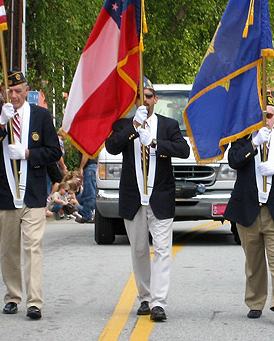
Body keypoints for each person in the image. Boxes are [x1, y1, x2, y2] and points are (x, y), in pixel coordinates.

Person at [104, 78, 189, 322]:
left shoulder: (168, 125)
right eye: (141, 97)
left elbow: (182, 150)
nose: (146, 101)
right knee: (139, 249)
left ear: (156, 100)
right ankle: (145, 297)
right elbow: (111, 147)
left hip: (160, 196)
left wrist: (153, 143)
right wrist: (133, 127)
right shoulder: (123, 125)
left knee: (162, 250)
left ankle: (159, 303)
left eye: (149, 96)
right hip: (134, 197)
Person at [0, 70, 62, 320]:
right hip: (6, 193)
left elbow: (52, 152)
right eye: (10, 91)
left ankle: (34, 301)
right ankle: (13, 295)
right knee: (8, 249)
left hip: (33, 192)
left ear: (27, 91)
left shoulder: (41, 115)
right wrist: (2, 126)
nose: (14, 96)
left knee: (33, 247)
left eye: (18, 91)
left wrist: (28, 154)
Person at [224, 95, 274, 324]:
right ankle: (255, 301)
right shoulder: (243, 139)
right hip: (249, 210)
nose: (265, 120)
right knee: (254, 261)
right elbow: (234, 160)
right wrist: (254, 144)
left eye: (269, 115)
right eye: (261, 116)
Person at [75, 152, 97, 224]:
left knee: (90, 193)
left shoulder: (85, 143)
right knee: (87, 193)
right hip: (92, 167)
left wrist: (81, 167)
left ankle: (90, 215)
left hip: (89, 167)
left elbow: (86, 154)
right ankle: (87, 215)